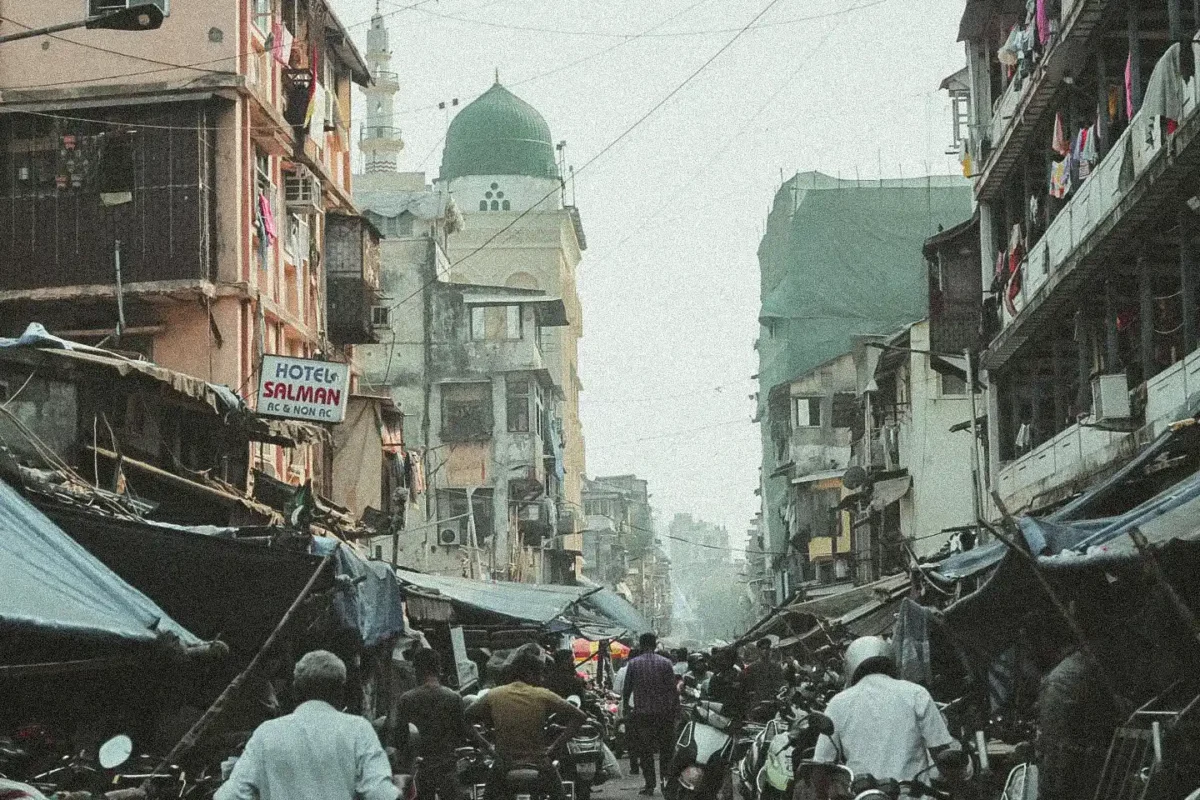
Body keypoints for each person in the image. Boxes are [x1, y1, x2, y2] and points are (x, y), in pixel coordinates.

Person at [215, 650, 399, 800]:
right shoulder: (358, 730)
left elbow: (230, 796)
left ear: (295, 692)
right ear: (341, 692)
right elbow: (380, 794)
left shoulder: (267, 733)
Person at [813, 637, 958, 800]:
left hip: (864, 795)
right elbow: (941, 752)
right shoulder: (916, 693)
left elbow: (821, 765)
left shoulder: (838, 703)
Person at [467, 649, 587, 800]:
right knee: (560, 796)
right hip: (539, 762)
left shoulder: (494, 694)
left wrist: (487, 746)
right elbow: (580, 717)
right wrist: (555, 746)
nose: (542, 679)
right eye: (540, 674)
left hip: (504, 763)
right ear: (529, 674)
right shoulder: (543, 694)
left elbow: (465, 719)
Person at [395, 648, 467, 800]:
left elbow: (400, 738)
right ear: (439, 669)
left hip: (420, 771)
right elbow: (462, 734)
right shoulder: (454, 698)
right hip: (448, 769)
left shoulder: (406, 699)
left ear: (417, 670)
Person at [622, 633, 680, 796]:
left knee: (645, 752)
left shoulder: (633, 664)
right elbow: (672, 690)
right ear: (654, 645)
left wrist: (627, 709)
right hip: (664, 714)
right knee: (666, 751)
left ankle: (649, 785)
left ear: (641, 645)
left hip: (642, 715)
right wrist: (676, 710)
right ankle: (666, 783)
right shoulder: (666, 663)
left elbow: (627, 690)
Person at [704, 646, 746, 720]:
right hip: (717, 711)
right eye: (720, 659)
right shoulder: (717, 674)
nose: (720, 662)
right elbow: (711, 693)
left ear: (731, 660)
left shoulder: (737, 674)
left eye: (724, 659)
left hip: (731, 712)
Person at [743, 638, 785, 705]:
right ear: (758, 650)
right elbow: (745, 684)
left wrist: (783, 688)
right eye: (762, 648)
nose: (765, 651)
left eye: (767, 648)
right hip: (757, 701)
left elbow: (781, 682)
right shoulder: (752, 667)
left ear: (770, 650)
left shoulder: (776, 667)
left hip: (773, 700)